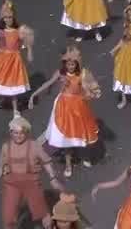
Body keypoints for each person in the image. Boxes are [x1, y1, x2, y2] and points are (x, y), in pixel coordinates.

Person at [29, 46, 101, 178]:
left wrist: (91, 93)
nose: (71, 66)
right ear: (65, 64)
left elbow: (92, 88)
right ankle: (68, 164)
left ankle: (84, 156)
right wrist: (34, 94)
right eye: (68, 63)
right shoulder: (60, 73)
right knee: (66, 137)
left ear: (77, 64)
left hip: (79, 107)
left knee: (81, 134)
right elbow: (48, 83)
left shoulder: (82, 74)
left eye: (73, 64)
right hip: (63, 107)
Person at [0, 115, 65, 229]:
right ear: (11, 133)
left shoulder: (34, 146)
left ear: (26, 133)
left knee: (43, 214)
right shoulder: (6, 147)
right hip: (11, 185)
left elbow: (46, 162)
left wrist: (53, 178)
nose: (18, 136)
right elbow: (1, 164)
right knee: (8, 216)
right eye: (15, 133)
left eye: (22, 133)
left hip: (31, 184)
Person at [0, 1, 33, 113]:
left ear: (14, 17)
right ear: (2, 18)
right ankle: (1, 99)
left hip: (14, 61)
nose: (8, 20)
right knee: (1, 82)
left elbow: (27, 42)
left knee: (12, 84)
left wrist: (29, 52)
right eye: (6, 18)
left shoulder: (19, 31)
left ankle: (15, 110)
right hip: (2, 59)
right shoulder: (0, 31)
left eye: (10, 17)